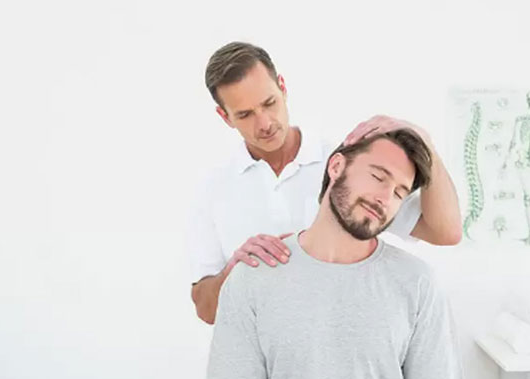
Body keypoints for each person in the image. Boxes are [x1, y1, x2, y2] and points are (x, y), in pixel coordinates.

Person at [205, 127, 467, 379]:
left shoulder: (418, 284)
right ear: (336, 166)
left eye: (399, 192)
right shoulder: (253, 278)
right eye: (378, 176)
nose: (384, 197)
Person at [188, 42, 463, 327]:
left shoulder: (344, 164)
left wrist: (424, 141)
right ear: (225, 117)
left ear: (282, 87)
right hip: (257, 361)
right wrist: (233, 272)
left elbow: (446, 232)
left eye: (269, 103)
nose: (265, 123)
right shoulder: (213, 189)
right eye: (245, 114)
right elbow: (206, 310)